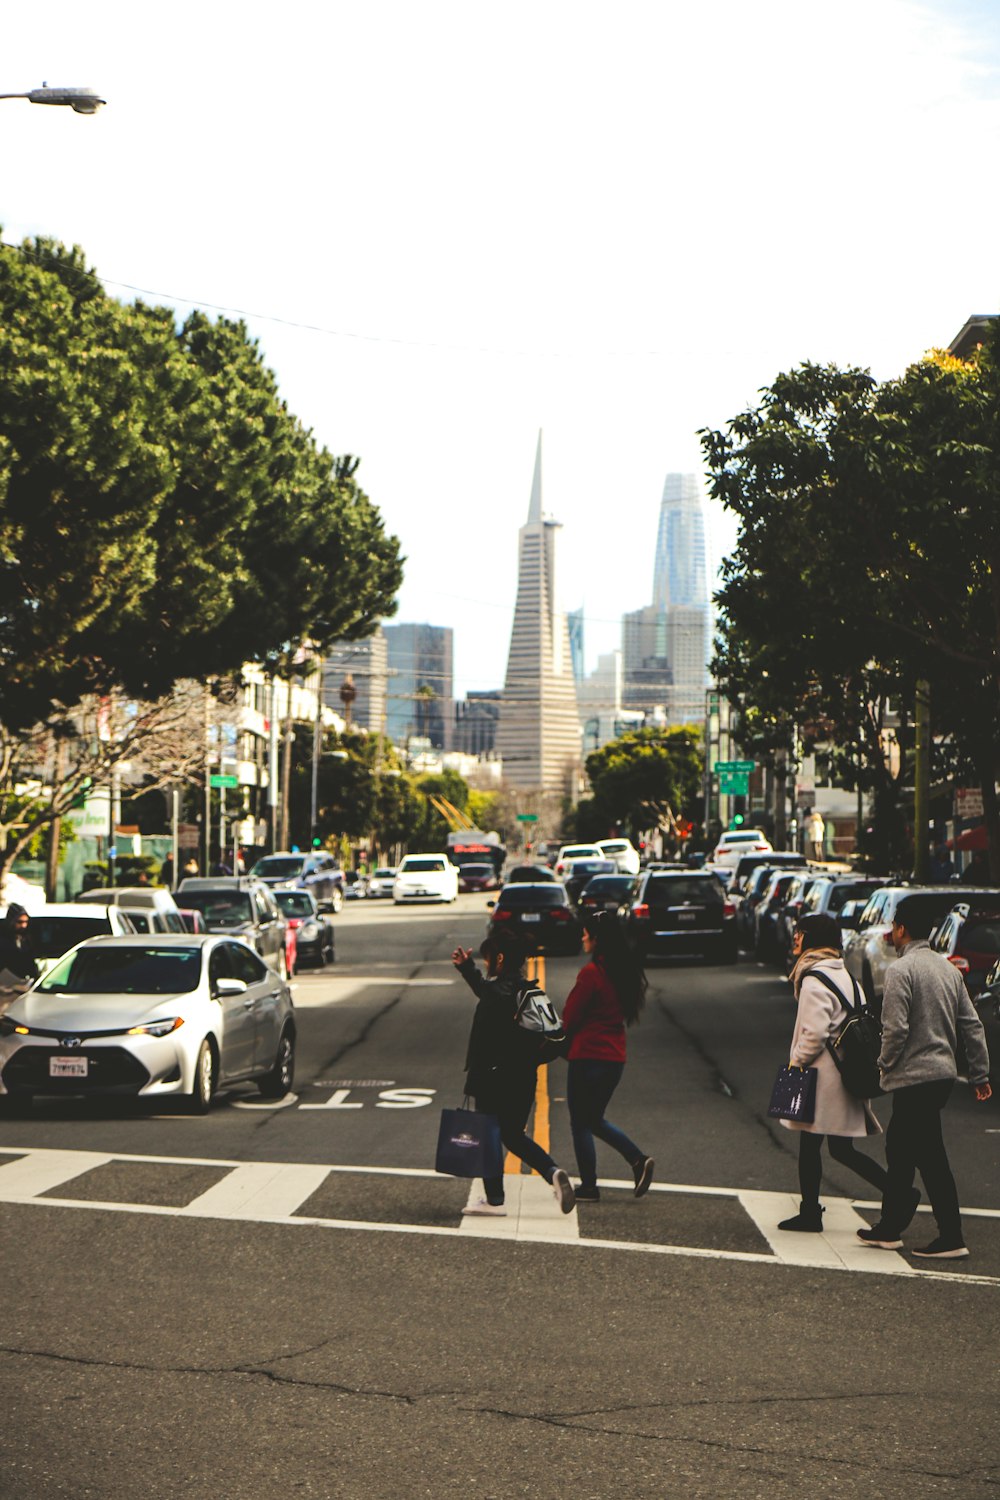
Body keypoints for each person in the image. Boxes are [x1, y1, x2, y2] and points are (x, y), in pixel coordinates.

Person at [857, 894, 992, 1259]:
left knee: (927, 1156)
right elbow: (972, 1025)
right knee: (902, 1151)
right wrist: (979, 1074)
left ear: (901, 929)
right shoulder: (948, 969)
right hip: (942, 1075)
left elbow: (896, 1029)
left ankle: (950, 1236)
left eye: (893, 927)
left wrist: (882, 1063)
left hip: (913, 1076)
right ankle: (891, 1227)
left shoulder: (901, 971)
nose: (891, 933)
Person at [452, 931, 575, 1216]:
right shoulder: (526, 991)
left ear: (500, 958)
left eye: (486, 959)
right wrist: (467, 968)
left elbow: (485, 993)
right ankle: (552, 1171)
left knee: (489, 1135)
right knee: (513, 1135)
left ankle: (494, 1200)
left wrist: (466, 969)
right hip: (524, 1078)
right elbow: (485, 988)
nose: (485, 965)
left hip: (494, 1078)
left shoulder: (497, 994)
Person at [778, 913, 888, 1231]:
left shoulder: (813, 979)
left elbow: (813, 1034)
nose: (795, 938)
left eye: (800, 933)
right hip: (844, 1073)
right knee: (839, 1148)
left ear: (813, 938)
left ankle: (811, 1213)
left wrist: (795, 1064)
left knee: (814, 1146)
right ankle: (897, 1192)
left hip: (823, 1078)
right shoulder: (845, 976)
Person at [562, 911, 654, 1202]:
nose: (582, 937)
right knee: (594, 1119)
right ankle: (637, 1160)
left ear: (597, 938)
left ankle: (589, 1186)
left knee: (580, 1122)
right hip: (614, 1058)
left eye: (586, 932)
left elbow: (570, 1017)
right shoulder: (623, 973)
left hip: (587, 1056)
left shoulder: (591, 974)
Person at [0, 904, 40, 986]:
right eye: (20, 922)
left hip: (22, 985)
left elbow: (30, 962)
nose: (23, 926)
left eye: (26, 922)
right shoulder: (3, 940)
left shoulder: (26, 940)